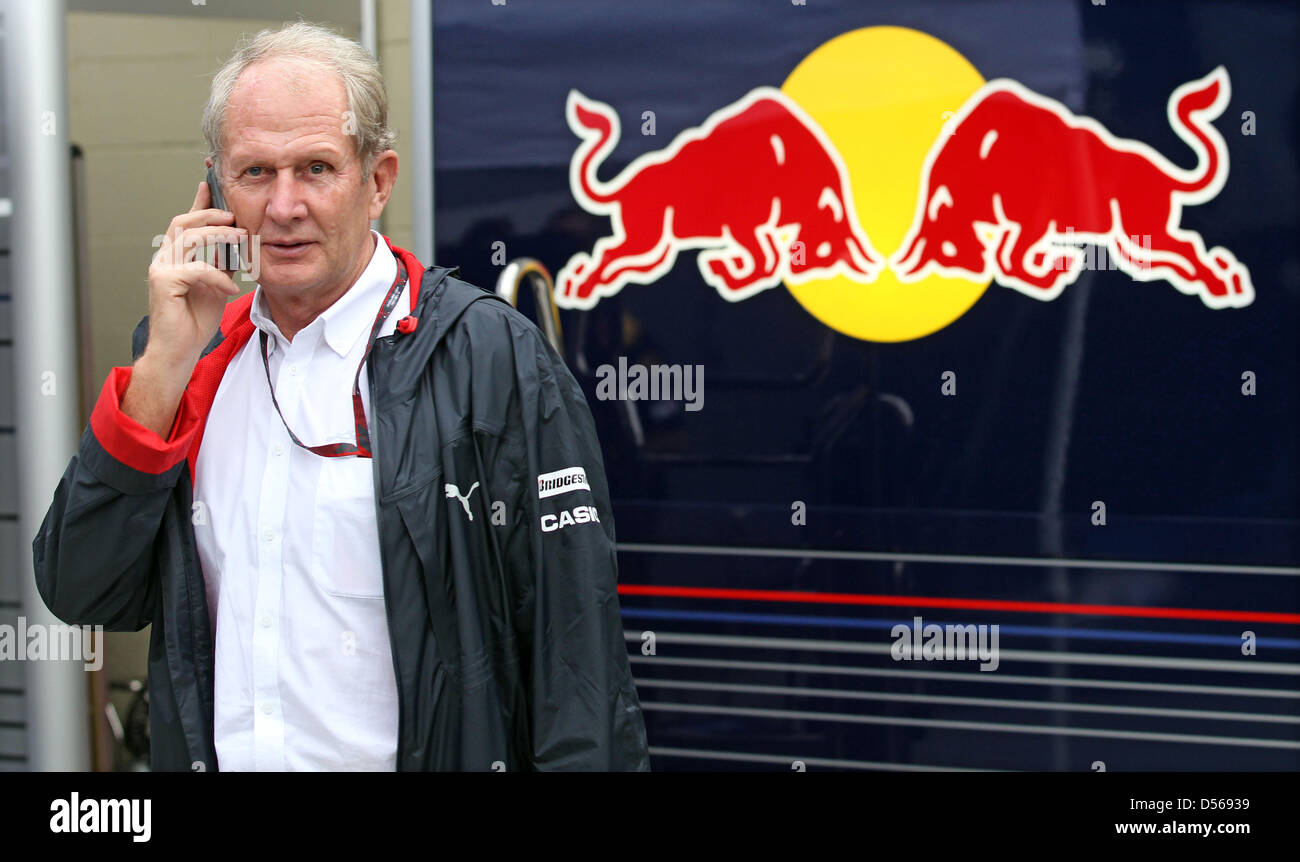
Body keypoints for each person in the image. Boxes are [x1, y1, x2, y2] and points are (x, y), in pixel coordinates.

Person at [32, 21, 650, 772]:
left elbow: (577, 669)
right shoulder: (188, 357)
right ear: (215, 191)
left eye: (317, 168)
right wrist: (164, 363)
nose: (285, 206)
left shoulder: (492, 357)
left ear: (378, 180)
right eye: (255, 172)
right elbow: (81, 590)